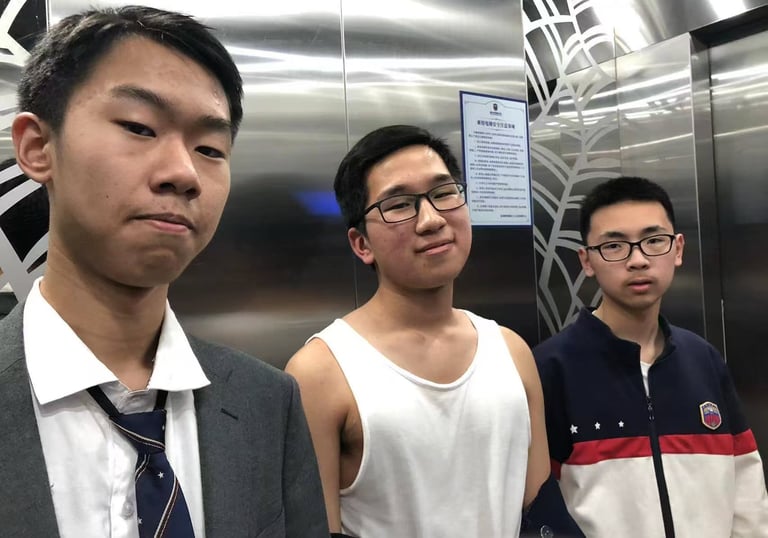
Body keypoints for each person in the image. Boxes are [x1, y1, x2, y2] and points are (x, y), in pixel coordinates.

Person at [0, 6, 328, 537]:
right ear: (38, 147)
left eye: (210, 149)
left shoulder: (269, 402)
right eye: (139, 127)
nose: (183, 172)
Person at [285, 124, 552, 537]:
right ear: (361, 244)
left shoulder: (511, 351)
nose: (431, 220)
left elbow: (541, 514)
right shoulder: (321, 371)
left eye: (444, 193)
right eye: (398, 205)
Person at [533, 176, 768, 536]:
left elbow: (746, 486)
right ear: (587, 261)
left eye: (654, 241)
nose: (638, 260)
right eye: (614, 246)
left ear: (678, 249)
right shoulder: (550, 369)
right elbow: (538, 504)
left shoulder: (703, 360)